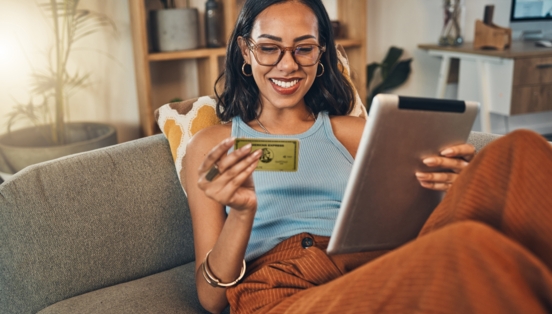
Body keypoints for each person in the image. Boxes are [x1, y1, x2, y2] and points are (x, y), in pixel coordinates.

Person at [185, 0, 552, 313]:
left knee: (522, 149)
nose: (287, 65)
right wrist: (243, 214)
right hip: (280, 288)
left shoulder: (356, 131)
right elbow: (211, 299)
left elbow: (407, 218)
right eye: (269, 48)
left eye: (304, 47)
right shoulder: (214, 144)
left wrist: (455, 185)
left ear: (321, 52)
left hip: (368, 263)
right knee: (466, 247)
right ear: (246, 51)